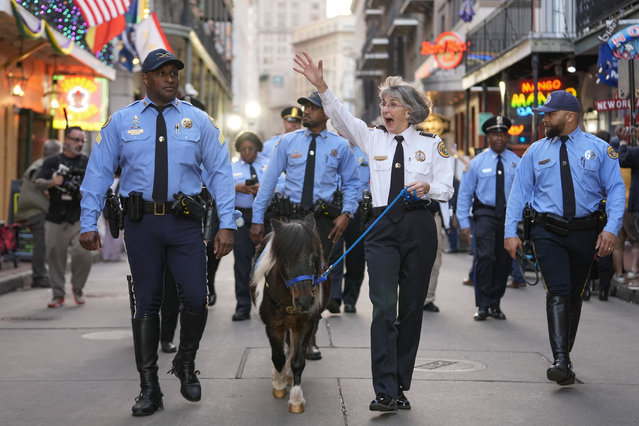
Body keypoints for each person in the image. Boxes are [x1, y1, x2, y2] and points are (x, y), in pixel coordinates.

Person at [78, 48, 235, 416]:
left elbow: (220, 175)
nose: (170, 78)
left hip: (184, 225)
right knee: (146, 304)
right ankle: (149, 388)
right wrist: (88, 223)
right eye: (161, 73)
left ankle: (185, 361)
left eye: (173, 72)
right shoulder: (121, 121)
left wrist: (227, 223)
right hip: (142, 225)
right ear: (145, 79)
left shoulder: (199, 122)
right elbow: (98, 172)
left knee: (197, 298)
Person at [294, 52, 454, 412]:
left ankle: (400, 383)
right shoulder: (372, 138)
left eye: (392, 103)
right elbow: (341, 117)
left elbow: (447, 186)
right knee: (383, 307)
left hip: (418, 226)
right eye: (383, 102)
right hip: (380, 226)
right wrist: (321, 87)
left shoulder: (431, 146)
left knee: (411, 309)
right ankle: (384, 389)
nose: (385, 108)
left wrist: (429, 189)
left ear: (409, 111)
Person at [504, 90, 625, 386]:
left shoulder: (600, 149)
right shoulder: (535, 151)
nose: (545, 120)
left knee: (574, 294)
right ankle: (560, 358)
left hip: (586, 232)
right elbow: (518, 194)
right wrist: (510, 232)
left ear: (570, 117)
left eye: (550, 114)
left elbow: (617, 190)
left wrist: (611, 228)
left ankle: (564, 354)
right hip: (548, 232)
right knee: (557, 290)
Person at [250, 91, 360, 361]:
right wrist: (256, 218)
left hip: (321, 220)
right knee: (280, 271)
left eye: (313, 107)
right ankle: (285, 328)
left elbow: (352, 184)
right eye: (305, 107)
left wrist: (347, 213)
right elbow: (269, 180)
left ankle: (309, 336)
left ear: (327, 114)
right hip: (289, 219)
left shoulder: (340, 146)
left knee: (319, 276)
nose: (306, 112)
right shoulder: (287, 142)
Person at [457, 115, 520, 320]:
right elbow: (465, 193)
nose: (499, 138)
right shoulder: (476, 163)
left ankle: (496, 303)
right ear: (488, 137)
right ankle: (483, 304)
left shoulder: (516, 163)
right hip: (484, 214)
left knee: (503, 261)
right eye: (495, 134)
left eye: (503, 134)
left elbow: (524, 192)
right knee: (485, 258)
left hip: (508, 217)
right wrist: (464, 223)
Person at [35, 128, 91, 308]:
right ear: (66, 140)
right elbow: (37, 182)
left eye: (82, 141)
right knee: (55, 256)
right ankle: (58, 294)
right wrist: (52, 182)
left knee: (83, 253)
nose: (79, 144)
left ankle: (78, 287)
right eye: (76, 140)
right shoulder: (52, 161)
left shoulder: (86, 161)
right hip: (55, 216)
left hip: (78, 216)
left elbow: (96, 184)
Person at [326, 143, 369, 314]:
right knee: (333, 253)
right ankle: (333, 297)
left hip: (358, 210)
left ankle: (350, 299)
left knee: (356, 257)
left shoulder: (365, 150)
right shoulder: (330, 147)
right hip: (334, 208)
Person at [230, 130, 269, 321]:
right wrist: (236, 187)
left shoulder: (268, 165)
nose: (247, 153)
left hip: (266, 216)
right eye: (243, 149)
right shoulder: (233, 167)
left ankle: (270, 305)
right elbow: (220, 187)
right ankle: (243, 305)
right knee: (242, 262)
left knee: (269, 261)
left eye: (251, 149)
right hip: (241, 217)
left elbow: (283, 183)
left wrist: (265, 188)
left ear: (257, 148)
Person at [15, 139, 62, 288]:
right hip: (35, 210)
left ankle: (40, 274)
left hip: (34, 209)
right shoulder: (43, 165)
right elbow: (39, 184)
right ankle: (38, 276)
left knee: (43, 243)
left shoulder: (40, 163)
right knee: (41, 244)